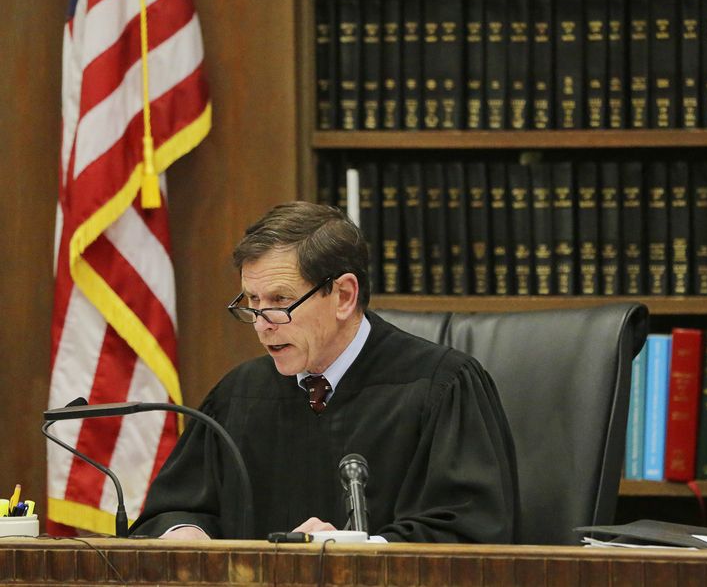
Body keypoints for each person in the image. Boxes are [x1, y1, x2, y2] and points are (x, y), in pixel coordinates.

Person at [130, 201, 519, 542]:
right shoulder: (238, 395)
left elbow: (470, 533)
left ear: (344, 296)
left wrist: (356, 552)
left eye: (280, 300)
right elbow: (175, 509)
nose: (262, 324)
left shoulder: (441, 387)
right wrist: (186, 533)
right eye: (252, 301)